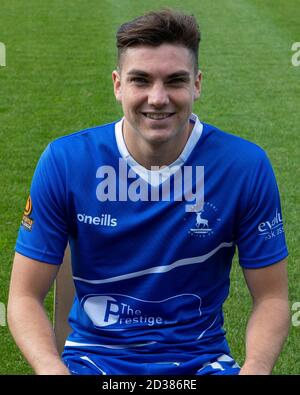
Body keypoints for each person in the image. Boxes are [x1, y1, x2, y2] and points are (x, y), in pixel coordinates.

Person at [7, 9, 290, 375]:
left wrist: (256, 369)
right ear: (117, 85)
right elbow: (24, 296)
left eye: (175, 81)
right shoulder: (66, 161)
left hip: (201, 364)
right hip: (93, 361)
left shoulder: (244, 166)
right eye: (141, 80)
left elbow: (272, 297)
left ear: (197, 85)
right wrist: (51, 368)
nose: (158, 98)